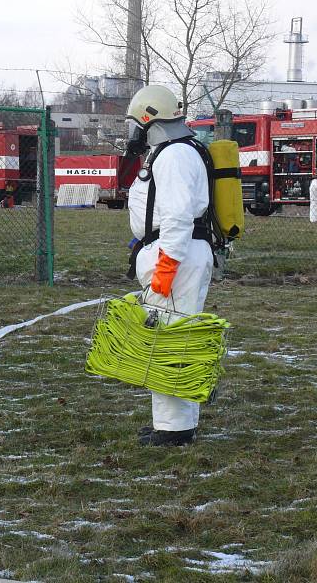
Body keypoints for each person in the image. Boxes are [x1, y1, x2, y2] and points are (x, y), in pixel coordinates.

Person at [125, 85, 213, 447]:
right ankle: (178, 425)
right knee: (177, 336)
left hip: (175, 256)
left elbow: (176, 216)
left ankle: (173, 430)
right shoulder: (175, 151)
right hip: (177, 253)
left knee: (167, 339)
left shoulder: (174, 155)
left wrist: (165, 266)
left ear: (148, 119)